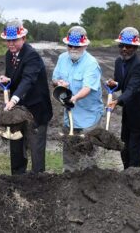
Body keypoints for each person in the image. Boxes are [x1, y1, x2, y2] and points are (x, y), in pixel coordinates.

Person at [0, 19, 53, 175]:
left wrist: (13, 99)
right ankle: (17, 179)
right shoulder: (9, 55)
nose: (10, 44)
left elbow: (28, 80)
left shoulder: (32, 56)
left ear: (23, 38)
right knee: (16, 147)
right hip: (18, 111)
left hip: (36, 110)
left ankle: (38, 181)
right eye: (8, 40)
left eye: (14, 40)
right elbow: (15, 77)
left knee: (36, 149)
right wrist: (7, 79)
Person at [52, 26, 104, 171]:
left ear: (85, 45)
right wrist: (59, 83)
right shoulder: (62, 58)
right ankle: (68, 179)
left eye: (77, 46)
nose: (73, 49)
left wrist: (74, 98)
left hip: (89, 115)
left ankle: (89, 182)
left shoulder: (91, 64)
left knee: (87, 153)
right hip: (70, 116)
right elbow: (55, 79)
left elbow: (87, 88)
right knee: (69, 151)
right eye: (70, 45)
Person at [107, 27, 140, 170]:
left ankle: (135, 180)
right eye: (121, 45)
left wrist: (117, 101)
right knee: (124, 148)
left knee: (135, 152)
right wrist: (113, 83)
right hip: (128, 114)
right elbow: (121, 83)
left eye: (128, 46)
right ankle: (127, 176)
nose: (124, 49)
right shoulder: (118, 62)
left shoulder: (139, 65)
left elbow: (132, 89)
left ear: (135, 47)